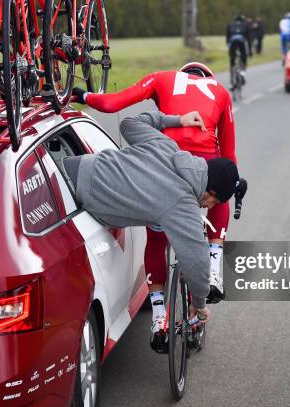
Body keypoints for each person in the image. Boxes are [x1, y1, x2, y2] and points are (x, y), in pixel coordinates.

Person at [71, 62, 237, 348]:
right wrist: (200, 301)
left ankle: (159, 315)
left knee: (156, 237)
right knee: (190, 241)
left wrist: (82, 96)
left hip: (86, 167)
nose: (206, 204)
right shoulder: (221, 92)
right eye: (210, 200)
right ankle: (215, 271)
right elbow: (230, 154)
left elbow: (120, 114)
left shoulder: (163, 89)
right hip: (204, 161)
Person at [227, 15, 250, 83]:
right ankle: (242, 74)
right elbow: (248, 39)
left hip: (233, 43)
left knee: (232, 61)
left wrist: (229, 49)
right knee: (244, 58)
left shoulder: (230, 25)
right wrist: (250, 51)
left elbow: (227, 38)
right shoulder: (245, 25)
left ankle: (232, 78)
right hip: (241, 43)